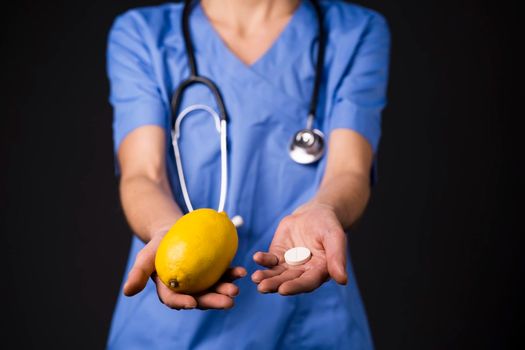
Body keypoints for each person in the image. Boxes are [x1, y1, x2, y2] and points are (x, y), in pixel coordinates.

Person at [105, 0, 390, 348]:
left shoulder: (355, 31)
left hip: (310, 326)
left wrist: (325, 209)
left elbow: (350, 170)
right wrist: (167, 232)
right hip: (169, 332)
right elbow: (143, 175)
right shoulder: (143, 33)